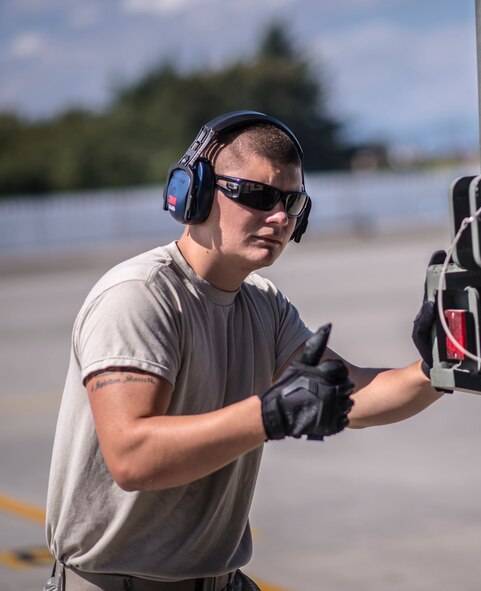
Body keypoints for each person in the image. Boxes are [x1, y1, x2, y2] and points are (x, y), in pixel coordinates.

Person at [44, 111, 444, 591]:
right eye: (256, 196)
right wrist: (269, 415)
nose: (278, 217)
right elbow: (132, 458)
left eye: (291, 201)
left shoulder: (264, 304)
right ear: (194, 192)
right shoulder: (139, 296)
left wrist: (441, 364)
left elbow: (353, 394)